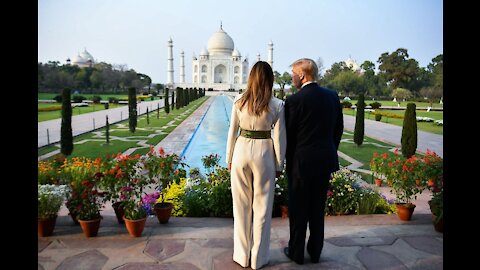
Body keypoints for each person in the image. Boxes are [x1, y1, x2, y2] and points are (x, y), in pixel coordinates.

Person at [226, 61, 286, 269]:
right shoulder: (276, 104)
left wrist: (229, 159)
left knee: (241, 207)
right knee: (262, 208)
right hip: (264, 153)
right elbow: (279, 138)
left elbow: (232, 133)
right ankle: (258, 258)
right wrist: (279, 165)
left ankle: (242, 256)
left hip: (241, 151)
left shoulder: (239, 102)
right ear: (270, 79)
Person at [283, 58, 343, 264]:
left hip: (300, 164)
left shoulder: (294, 101)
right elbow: (338, 130)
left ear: (301, 75)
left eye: (293, 73)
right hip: (323, 162)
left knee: (298, 209)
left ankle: (296, 252)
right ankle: (315, 252)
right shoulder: (332, 97)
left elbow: (288, 136)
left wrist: (288, 160)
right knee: (317, 209)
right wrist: (328, 151)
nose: (292, 77)